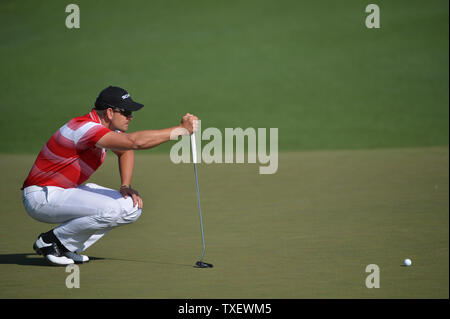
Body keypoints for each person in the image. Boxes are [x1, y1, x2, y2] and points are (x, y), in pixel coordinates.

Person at [21, 86, 198, 265]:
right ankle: (51, 241)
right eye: (126, 112)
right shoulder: (84, 128)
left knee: (131, 207)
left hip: (62, 192)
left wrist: (125, 186)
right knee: (113, 209)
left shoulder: (104, 129)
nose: (131, 116)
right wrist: (180, 130)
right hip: (42, 197)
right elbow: (134, 143)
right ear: (110, 112)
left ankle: (65, 247)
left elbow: (125, 150)